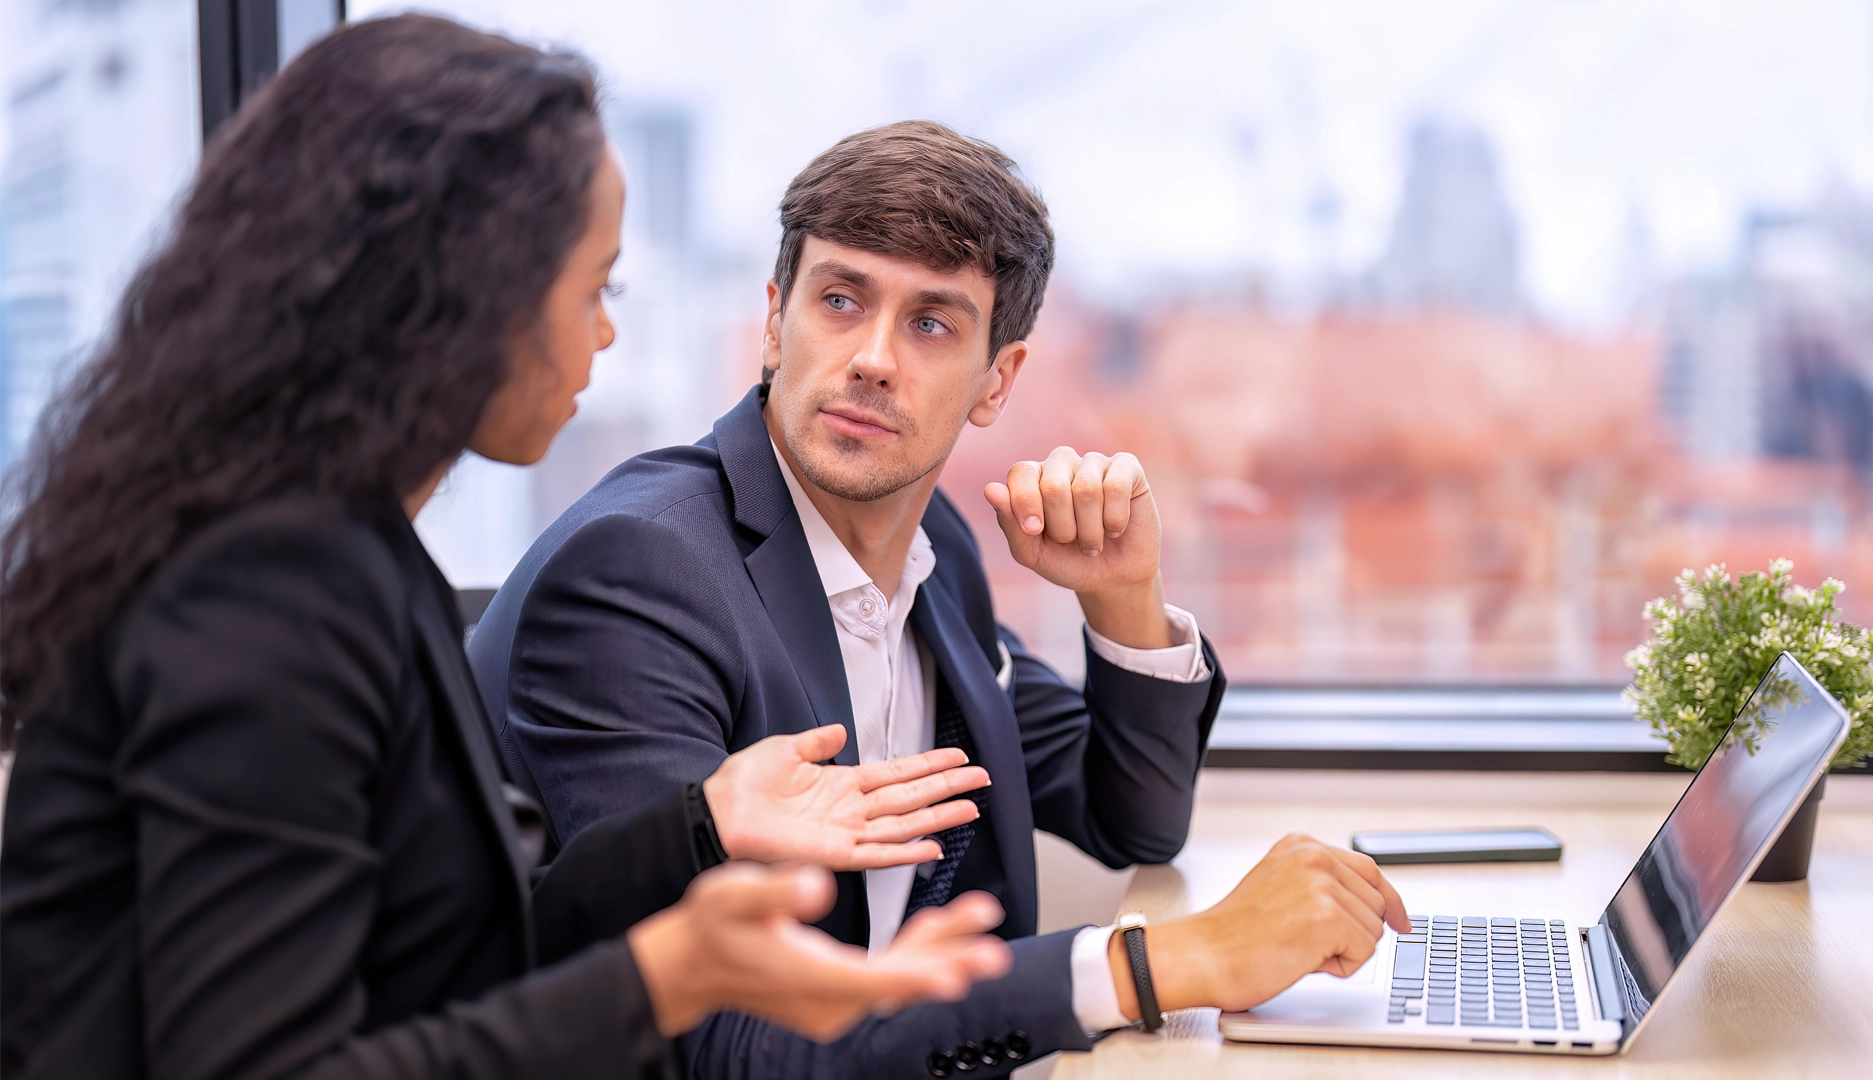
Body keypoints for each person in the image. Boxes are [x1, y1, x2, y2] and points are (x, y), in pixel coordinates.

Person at [0, 20, 1014, 1080]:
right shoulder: (262, 591)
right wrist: (662, 979)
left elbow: (455, 948)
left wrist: (699, 831)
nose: (604, 336)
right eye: (593, 291)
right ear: (464, 302)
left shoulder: (355, 548)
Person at [469, 120, 1410, 1078]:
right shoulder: (640, 575)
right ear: (772, 321)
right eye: (840, 299)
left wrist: (1125, 596)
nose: (873, 358)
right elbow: (719, 1049)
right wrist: (1166, 962)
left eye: (930, 323)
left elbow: (1131, 818)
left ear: (997, 380)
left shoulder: (931, 548)